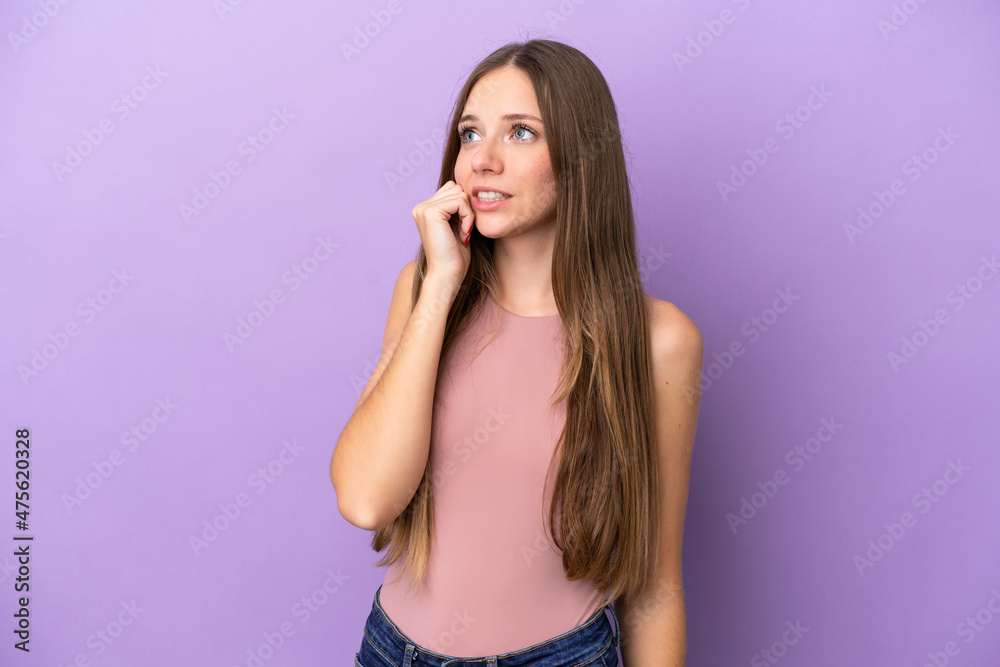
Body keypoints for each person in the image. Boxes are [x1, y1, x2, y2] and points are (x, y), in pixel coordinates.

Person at [331, 38, 702, 667]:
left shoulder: (658, 341)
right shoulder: (423, 293)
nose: (484, 160)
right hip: (393, 652)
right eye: (470, 134)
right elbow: (366, 499)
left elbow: (653, 589)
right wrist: (439, 287)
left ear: (582, 157)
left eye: (522, 133)